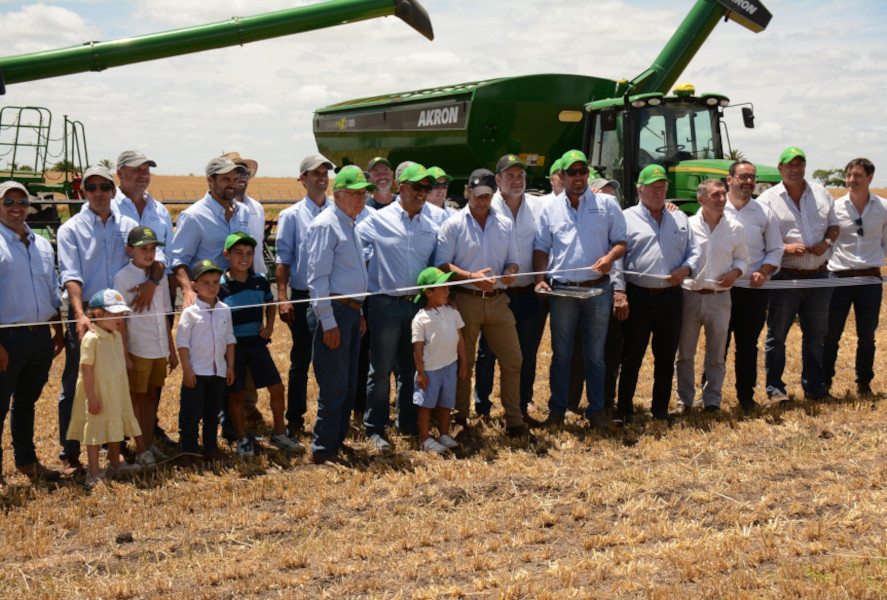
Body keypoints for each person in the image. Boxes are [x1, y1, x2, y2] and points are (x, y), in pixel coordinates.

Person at [435, 168, 531, 439]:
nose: (481, 201)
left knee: (513, 359)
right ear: (468, 192)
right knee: (464, 362)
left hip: (499, 300)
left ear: (493, 195)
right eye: (477, 195)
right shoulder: (453, 224)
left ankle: (514, 420)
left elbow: (513, 259)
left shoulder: (504, 223)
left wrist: (511, 271)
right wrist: (470, 277)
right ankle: (460, 420)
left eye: (487, 196)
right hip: (465, 300)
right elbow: (441, 264)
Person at [533, 149, 627, 429]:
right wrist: (540, 278)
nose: (578, 177)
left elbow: (621, 242)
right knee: (561, 355)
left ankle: (596, 411)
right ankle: (557, 412)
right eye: (572, 172)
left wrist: (610, 258)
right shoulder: (548, 208)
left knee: (595, 356)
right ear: (561, 176)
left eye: (582, 171)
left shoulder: (607, 204)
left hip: (598, 291)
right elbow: (541, 247)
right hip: (562, 292)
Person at [56, 164, 140, 474]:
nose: (99, 193)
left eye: (104, 187)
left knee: (114, 381)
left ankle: (112, 451)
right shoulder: (70, 230)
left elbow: (147, 257)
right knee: (77, 384)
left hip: (118, 317)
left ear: (113, 190)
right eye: (91, 187)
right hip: (87, 316)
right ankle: (71, 453)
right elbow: (71, 276)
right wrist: (79, 315)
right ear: (83, 192)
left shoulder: (128, 224)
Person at [356, 163, 443, 450]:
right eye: (417, 187)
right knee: (379, 370)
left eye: (426, 188)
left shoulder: (433, 225)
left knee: (412, 368)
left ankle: (406, 424)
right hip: (384, 304)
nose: (422, 193)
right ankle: (374, 427)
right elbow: (351, 246)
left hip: (417, 306)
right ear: (400, 187)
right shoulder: (377, 219)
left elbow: (435, 266)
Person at [614, 164, 700, 421]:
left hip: (671, 297)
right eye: (653, 187)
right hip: (638, 296)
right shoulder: (626, 218)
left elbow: (694, 251)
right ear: (639, 189)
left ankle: (660, 409)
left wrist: (686, 269)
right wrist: (620, 292)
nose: (658, 191)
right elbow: (617, 259)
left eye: (662, 187)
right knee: (631, 356)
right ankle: (624, 410)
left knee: (665, 356)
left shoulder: (680, 218)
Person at [306, 166, 374, 466]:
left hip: (348, 310)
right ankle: (322, 450)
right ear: (337, 195)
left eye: (363, 193)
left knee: (347, 384)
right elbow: (317, 280)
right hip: (333, 311)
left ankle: (335, 441)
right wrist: (328, 322)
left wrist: (356, 310)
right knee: (335, 385)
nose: (361, 199)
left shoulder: (349, 224)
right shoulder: (327, 225)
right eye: (354, 193)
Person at [758, 147, 838, 401]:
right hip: (785, 277)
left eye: (800, 164)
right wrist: (784, 248)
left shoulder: (821, 194)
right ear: (780, 168)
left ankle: (815, 388)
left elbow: (834, 226)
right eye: (790, 165)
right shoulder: (767, 199)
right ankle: (775, 390)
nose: (796, 169)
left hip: (818, 276)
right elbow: (756, 237)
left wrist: (826, 243)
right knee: (777, 337)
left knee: (816, 337)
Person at [0, 181, 64, 484]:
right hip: (7, 338)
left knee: (26, 402)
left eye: (22, 202)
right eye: (8, 202)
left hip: (40, 338)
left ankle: (27, 462)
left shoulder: (40, 244)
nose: (16, 208)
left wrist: (58, 330)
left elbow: (51, 290)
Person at [113, 149, 177, 450]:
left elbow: (167, 256)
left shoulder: (160, 210)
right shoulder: (109, 209)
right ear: (120, 174)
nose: (143, 175)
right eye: (135, 170)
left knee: (150, 384)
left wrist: (153, 281)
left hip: (155, 296)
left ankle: (146, 437)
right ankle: (117, 439)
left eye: (146, 170)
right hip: (122, 303)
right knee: (119, 378)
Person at [475, 154, 545, 425]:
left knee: (526, 353)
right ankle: (482, 409)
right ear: (498, 180)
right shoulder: (486, 206)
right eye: (510, 176)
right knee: (487, 354)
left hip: (527, 293)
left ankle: (521, 407)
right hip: (497, 295)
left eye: (520, 176)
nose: (517, 181)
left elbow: (567, 194)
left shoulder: (539, 205)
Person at [219, 232, 304, 457]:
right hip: (233, 347)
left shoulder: (260, 281)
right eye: (238, 253)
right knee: (236, 394)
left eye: (249, 253)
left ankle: (279, 433)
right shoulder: (220, 285)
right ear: (227, 255)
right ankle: (242, 439)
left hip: (257, 344)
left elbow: (270, 302)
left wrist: (269, 326)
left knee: (277, 388)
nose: (244, 258)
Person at [674, 180, 748, 413]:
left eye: (723, 194)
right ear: (701, 200)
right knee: (685, 353)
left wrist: (735, 274)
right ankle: (684, 401)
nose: (722, 199)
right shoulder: (687, 225)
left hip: (720, 298)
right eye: (715, 195)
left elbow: (742, 259)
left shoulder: (735, 227)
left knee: (716, 355)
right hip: (690, 296)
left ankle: (712, 401)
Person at [275, 154, 335, 436]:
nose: (322, 177)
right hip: (302, 296)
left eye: (325, 172)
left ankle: (331, 417)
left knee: (331, 361)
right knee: (300, 361)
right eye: (315, 173)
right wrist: (283, 297)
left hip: (332, 296)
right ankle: (295, 420)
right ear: (303, 179)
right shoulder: (291, 216)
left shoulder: (339, 212)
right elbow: (283, 259)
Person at [822, 158, 887, 397]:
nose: (851, 180)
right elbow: (828, 242)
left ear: (870, 178)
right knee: (830, 333)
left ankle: (864, 383)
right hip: (838, 277)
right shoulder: (835, 208)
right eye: (849, 175)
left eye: (857, 176)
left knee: (867, 335)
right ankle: (825, 383)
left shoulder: (883, 207)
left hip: (870, 280)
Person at [113, 226, 178, 467]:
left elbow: (164, 314)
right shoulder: (122, 278)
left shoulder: (157, 278)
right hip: (138, 347)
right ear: (130, 250)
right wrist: (125, 355)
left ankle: (149, 445)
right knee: (137, 399)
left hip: (158, 347)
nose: (149, 253)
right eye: (143, 249)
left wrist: (170, 349)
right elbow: (120, 320)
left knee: (152, 397)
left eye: (152, 249)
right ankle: (140, 449)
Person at [66, 289, 142, 486]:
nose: (119, 318)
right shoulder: (92, 338)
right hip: (98, 393)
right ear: (98, 315)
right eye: (114, 314)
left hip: (116, 391)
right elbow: (86, 370)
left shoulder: (115, 335)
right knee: (95, 433)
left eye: (121, 314)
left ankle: (115, 463)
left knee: (115, 425)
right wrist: (91, 398)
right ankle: (93, 472)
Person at [724, 161, 783, 410]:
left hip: (753, 290)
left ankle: (746, 398)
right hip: (721, 290)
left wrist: (764, 271)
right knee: (718, 346)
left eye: (752, 177)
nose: (748, 182)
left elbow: (776, 249)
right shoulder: (715, 208)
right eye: (743, 177)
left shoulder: (763, 213)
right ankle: (709, 396)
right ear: (730, 180)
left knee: (747, 346)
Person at [176, 260, 236, 465]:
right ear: (194, 285)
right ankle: (189, 451)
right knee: (191, 414)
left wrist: (230, 367)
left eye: (215, 282)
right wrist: (187, 370)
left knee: (212, 413)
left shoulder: (225, 309)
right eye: (206, 283)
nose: (211, 287)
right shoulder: (190, 312)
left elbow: (229, 340)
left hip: (217, 372)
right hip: (196, 372)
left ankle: (210, 448)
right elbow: (182, 343)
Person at [170, 156, 251, 308]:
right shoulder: (193, 216)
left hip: (240, 293)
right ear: (211, 180)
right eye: (226, 179)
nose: (233, 184)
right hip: (208, 298)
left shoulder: (243, 212)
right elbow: (178, 258)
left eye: (235, 179)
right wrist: (188, 291)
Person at [412, 267, 467, 452]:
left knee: (446, 404)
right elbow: (417, 348)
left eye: (447, 287)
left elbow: (460, 339)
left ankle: (444, 434)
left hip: (450, 367)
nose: (447, 291)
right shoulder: (420, 319)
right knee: (426, 405)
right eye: (442, 288)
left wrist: (463, 362)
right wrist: (420, 372)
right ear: (428, 292)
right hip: (430, 370)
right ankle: (425, 439)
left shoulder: (453, 313)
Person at [224, 152, 266, 275]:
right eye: (238, 173)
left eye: (246, 174)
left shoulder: (257, 208)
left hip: (258, 280)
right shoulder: (219, 209)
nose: (242, 178)